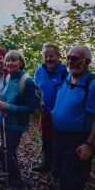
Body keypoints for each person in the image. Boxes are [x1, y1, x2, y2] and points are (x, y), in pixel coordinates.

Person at [52, 45, 95, 190]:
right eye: (68, 57)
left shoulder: (93, 85)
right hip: (60, 136)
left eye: (75, 58)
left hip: (78, 140)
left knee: (72, 180)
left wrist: (89, 145)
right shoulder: (68, 76)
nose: (69, 61)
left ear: (87, 62)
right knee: (59, 173)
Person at [0, 50, 36, 189]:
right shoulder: (9, 77)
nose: (10, 63)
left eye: (14, 60)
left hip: (16, 124)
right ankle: (11, 176)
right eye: (8, 60)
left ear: (21, 62)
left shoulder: (27, 81)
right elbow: (5, 97)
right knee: (10, 153)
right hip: (4, 120)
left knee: (4, 153)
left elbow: (31, 108)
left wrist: (9, 107)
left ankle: (18, 183)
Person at [33, 43, 66, 176]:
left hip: (62, 114)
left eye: (51, 56)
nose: (48, 59)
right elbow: (36, 90)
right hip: (45, 112)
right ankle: (46, 164)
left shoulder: (66, 71)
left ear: (58, 56)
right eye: (46, 56)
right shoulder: (39, 71)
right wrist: (37, 102)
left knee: (59, 142)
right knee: (46, 139)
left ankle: (58, 169)